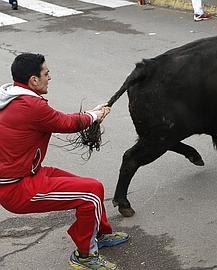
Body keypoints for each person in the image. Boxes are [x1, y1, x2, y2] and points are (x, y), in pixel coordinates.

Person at [0, 53, 129, 270]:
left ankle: (99, 234)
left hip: (29, 173)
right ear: (33, 80)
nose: (50, 77)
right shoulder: (30, 106)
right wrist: (94, 116)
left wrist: (92, 114)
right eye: (46, 73)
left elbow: (55, 119)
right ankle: (84, 256)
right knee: (90, 192)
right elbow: (66, 123)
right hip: (17, 188)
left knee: (91, 188)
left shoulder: (13, 95)